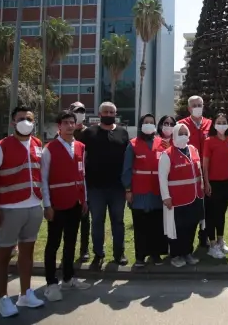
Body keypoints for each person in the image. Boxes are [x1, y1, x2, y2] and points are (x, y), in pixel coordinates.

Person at [0, 106, 45, 317]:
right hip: (8, 208)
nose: (25, 122)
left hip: (33, 206)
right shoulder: (1, 147)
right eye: (21, 118)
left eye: (29, 118)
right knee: (4, 255)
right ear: (12, 122)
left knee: (27, 253)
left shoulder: (37, 144)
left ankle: (26, 294)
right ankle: (3, 299)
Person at [41, 111, 91, 302]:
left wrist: (84, 199)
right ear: (58, 126)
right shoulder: (50, 149)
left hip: (76, 203)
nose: (70, 125)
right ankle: (51, 283)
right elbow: (44, 179)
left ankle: (68, 278)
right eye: (66, 123)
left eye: (72, 122)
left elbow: (82, 175)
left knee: (71, 242)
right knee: (53, 244)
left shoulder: (80, 146)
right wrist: (47, 205)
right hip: (57, 203)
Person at [80, 101, 129, 267]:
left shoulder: (123, 133)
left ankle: (119, 254)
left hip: (117, 188)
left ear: (115, 114)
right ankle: (98, 254)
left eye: (111, 112)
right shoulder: (89, 133)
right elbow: (82, 159)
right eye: (105, 112)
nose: (108, 115)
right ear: (99, 114)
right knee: (97, 222)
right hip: (96, 188)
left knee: (118, 222)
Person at [122, 113, 168, 267]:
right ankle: (140, 256)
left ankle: (156, 255)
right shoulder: (133, 144)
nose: (149, 124)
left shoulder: (162, 143)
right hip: (139, 191)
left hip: (157, 191)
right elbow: (127, 169)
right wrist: (128, 189)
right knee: (141, 225)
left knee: (156, 224)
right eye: (146, 122)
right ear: (141, 125)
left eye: (151, 122)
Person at [159, 124, 205, 267]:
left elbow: (200, 172)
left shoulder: (194, 150)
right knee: (178, 228)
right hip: (177, 199)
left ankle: (188, 253)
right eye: (180, 133)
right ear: (174, 135)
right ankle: (176, 255)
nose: (184, 135)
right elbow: (162, 178)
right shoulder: (167, 154)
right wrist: (166, 197)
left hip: (195, 196)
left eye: (186, 133)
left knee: (191, 226)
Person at [178, 96, 213, 249]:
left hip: (208, 170)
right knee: (193, 205)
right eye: (194, 105)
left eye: (200, 105)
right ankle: (187, 240)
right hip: (189, 172)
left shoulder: (209, 124)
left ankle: (204, 236)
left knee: (208, 206)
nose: (197, 107)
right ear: (189, 108)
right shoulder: (181, 125)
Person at [202, 113, 228, 259]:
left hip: (226, 182)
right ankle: (212, 244)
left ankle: (220, 240)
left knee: (221, 213)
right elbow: (205, 164)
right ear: (214, 125)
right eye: (219, 122)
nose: (221, 124)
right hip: (213, 182)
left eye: (224, 122)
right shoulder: (209, 141)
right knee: (211, 214)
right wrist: (206, 182)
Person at [68, 101, 90, 262]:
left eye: (82, 111)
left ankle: (84, 250)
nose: (80, 114)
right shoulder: (63, 132)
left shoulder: (88, 133)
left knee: (84, 217)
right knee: (68, 218)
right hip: (67, 181)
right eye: (77, 111)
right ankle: (69, 249)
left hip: (85, 181)